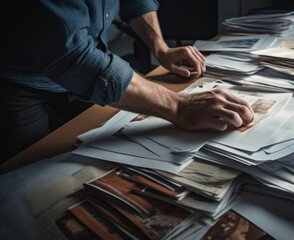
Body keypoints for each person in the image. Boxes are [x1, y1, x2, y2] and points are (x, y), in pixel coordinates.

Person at [0, 0, 254, 162]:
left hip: (86, 69)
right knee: (29, 177)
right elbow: (72, 55)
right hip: (17, 83)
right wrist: (180, 107)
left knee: (104, 159)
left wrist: (161, 49)